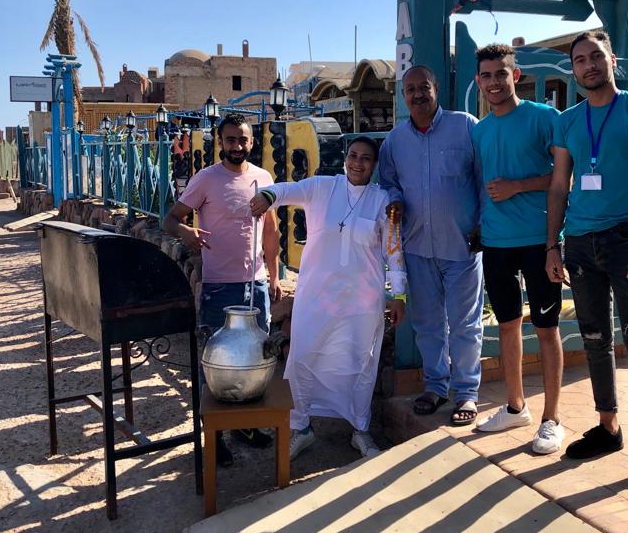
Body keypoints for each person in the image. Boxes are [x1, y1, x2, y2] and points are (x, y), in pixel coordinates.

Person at [546, 31, 628, 494]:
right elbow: (559, 187)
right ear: (573, 69)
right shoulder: (567, 121)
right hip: (580, 243)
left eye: (595, 56)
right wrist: (552, 245)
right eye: (580, 60)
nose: (588, 65)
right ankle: (608, 428)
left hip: (627, 241)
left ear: (611, 59)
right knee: (596, 340)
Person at [249, 137, 406, 460]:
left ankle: (360, 430)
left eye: (365, 158)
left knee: (362, 362)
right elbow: (286, 190)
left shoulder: (382, 201)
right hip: (316, 297)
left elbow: (394, 250)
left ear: (374, 165)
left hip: (363, 301)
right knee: (303, 357)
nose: (357, 163)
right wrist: (267, 195)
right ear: (345, 158)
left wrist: (398, 294)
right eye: (353, 156)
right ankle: (301, 427)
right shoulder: (322, 187)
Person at [163, 111, 282, 464]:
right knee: (215, 363)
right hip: (218, 287)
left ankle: (246, 426)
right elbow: (170, 220)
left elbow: (271, 231)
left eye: (243, 139)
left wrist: (274, 275)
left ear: (252, 142)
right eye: (231, 139)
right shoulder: (205, 179)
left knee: (255, 359)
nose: (237, 146)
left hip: (255, 286)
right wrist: (186, 231)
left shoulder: (264, 178)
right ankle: (213, 438)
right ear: (220, 142)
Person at [472, 44, 565, 454]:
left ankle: (552, 419)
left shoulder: (545, 118)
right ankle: (515, 407)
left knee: (547, 329)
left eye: (501, 73)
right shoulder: (479, 131)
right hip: (495, 244)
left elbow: (564, 178)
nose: (494, 82)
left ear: (516, 75)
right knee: (508, 325)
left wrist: (518, 186)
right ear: (478, 81)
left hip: (539, 242)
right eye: (486, 75)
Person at [378, 65, 483, 426]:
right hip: (417, 247)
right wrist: (394, 199)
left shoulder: (465, 126)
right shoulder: (394, 141)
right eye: (410, 90)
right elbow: (388, 183)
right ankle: (436, 386)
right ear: (403, 96)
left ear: (436, 89)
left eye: (424, 87)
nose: (418, 94)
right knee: (427, 325)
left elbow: (484, 178)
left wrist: (483, 225)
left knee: (465, 324)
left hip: (462, 246)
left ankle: (466, 392)